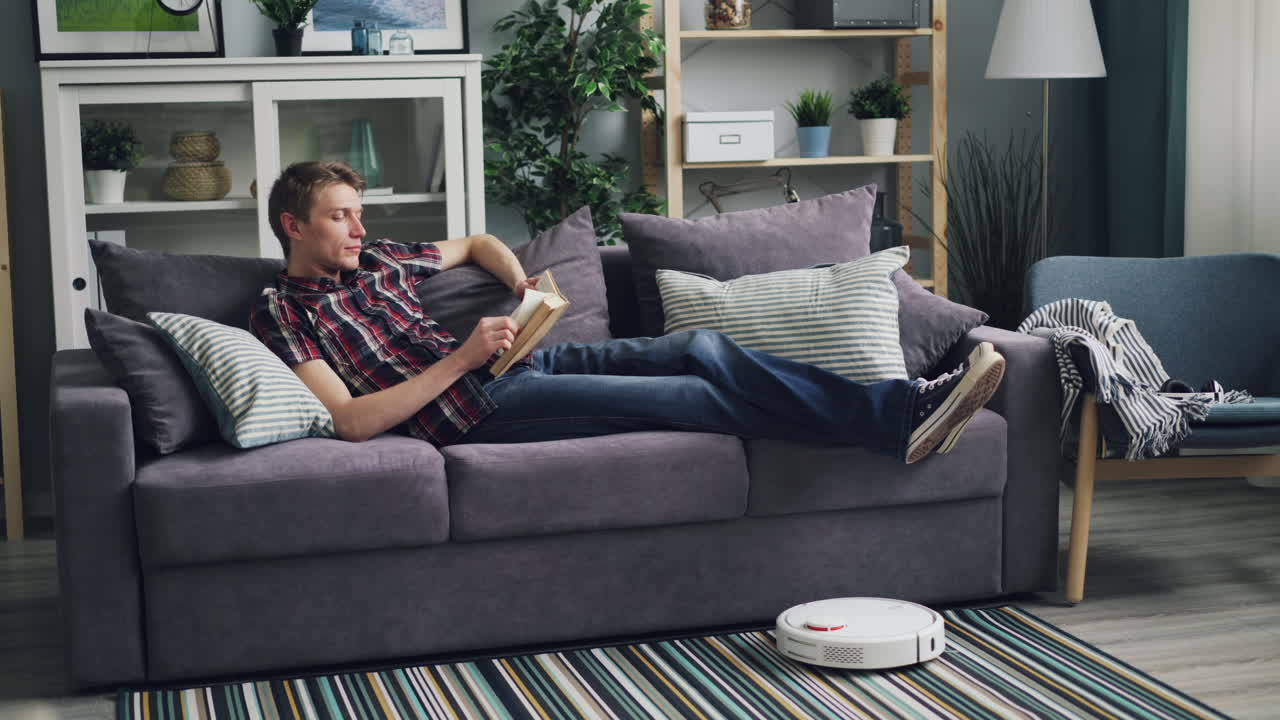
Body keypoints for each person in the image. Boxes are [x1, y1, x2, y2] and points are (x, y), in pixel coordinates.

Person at [250, 161, 1006, 463]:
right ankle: (898, 419)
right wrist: (462, 359)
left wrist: (520, 285)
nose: (359, 228)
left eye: (359, 214)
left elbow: (478, 241)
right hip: (472, 408)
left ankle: (898, 410)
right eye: (341, 217)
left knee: (702, 349)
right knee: (699, 398)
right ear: (294, 226)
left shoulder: (382, 259)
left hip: (516, 364)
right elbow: (351, 422)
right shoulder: (284, 312)